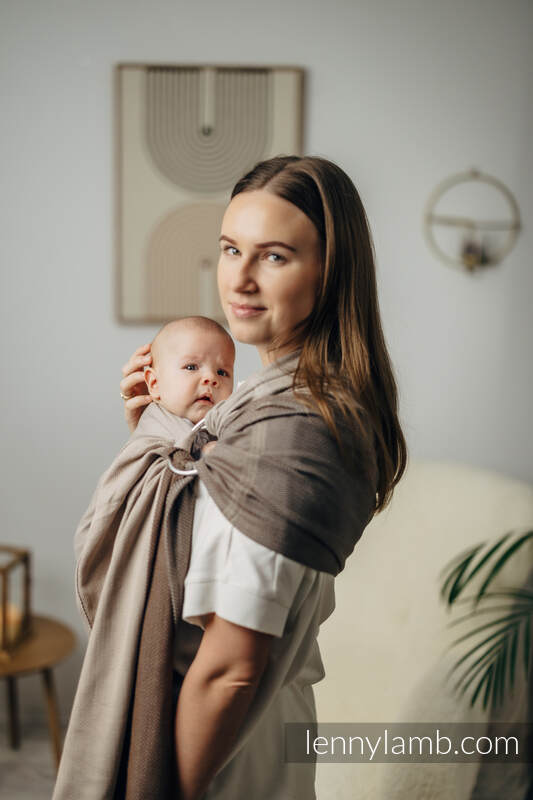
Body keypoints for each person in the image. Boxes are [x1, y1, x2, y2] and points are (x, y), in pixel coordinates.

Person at [117, 155, 407, 800]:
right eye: (230, 249)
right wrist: (157, 436)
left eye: (274, 256)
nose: (239, 280)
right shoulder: (264, 398)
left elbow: (230, 671)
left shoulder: (292, 427)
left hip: (226, 753)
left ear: (331, 273)